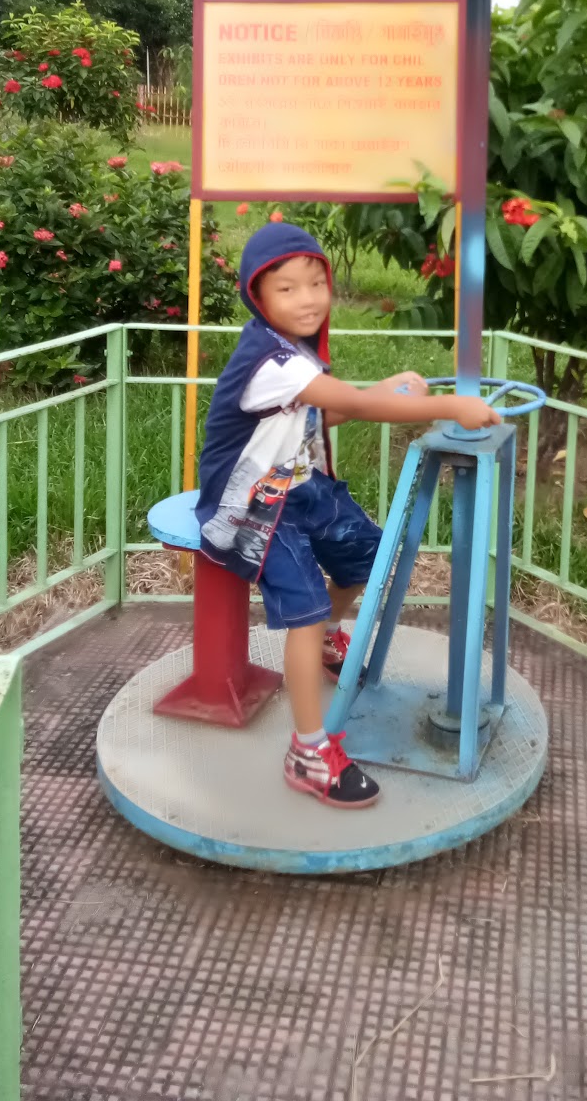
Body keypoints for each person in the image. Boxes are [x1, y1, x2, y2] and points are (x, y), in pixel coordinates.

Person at [195, 220, 500, 809]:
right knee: (303, 611)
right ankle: (308, 750)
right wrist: (448, 405)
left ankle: (322, 637)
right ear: (258, 298)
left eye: (316, 282)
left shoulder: (296, 352)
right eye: (288, 289)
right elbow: (353, 404)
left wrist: (387, 386)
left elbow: (323, 415)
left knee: (368, 556)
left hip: (300, 485)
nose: (307, 299)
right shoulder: (268, 359)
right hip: (254, 506)